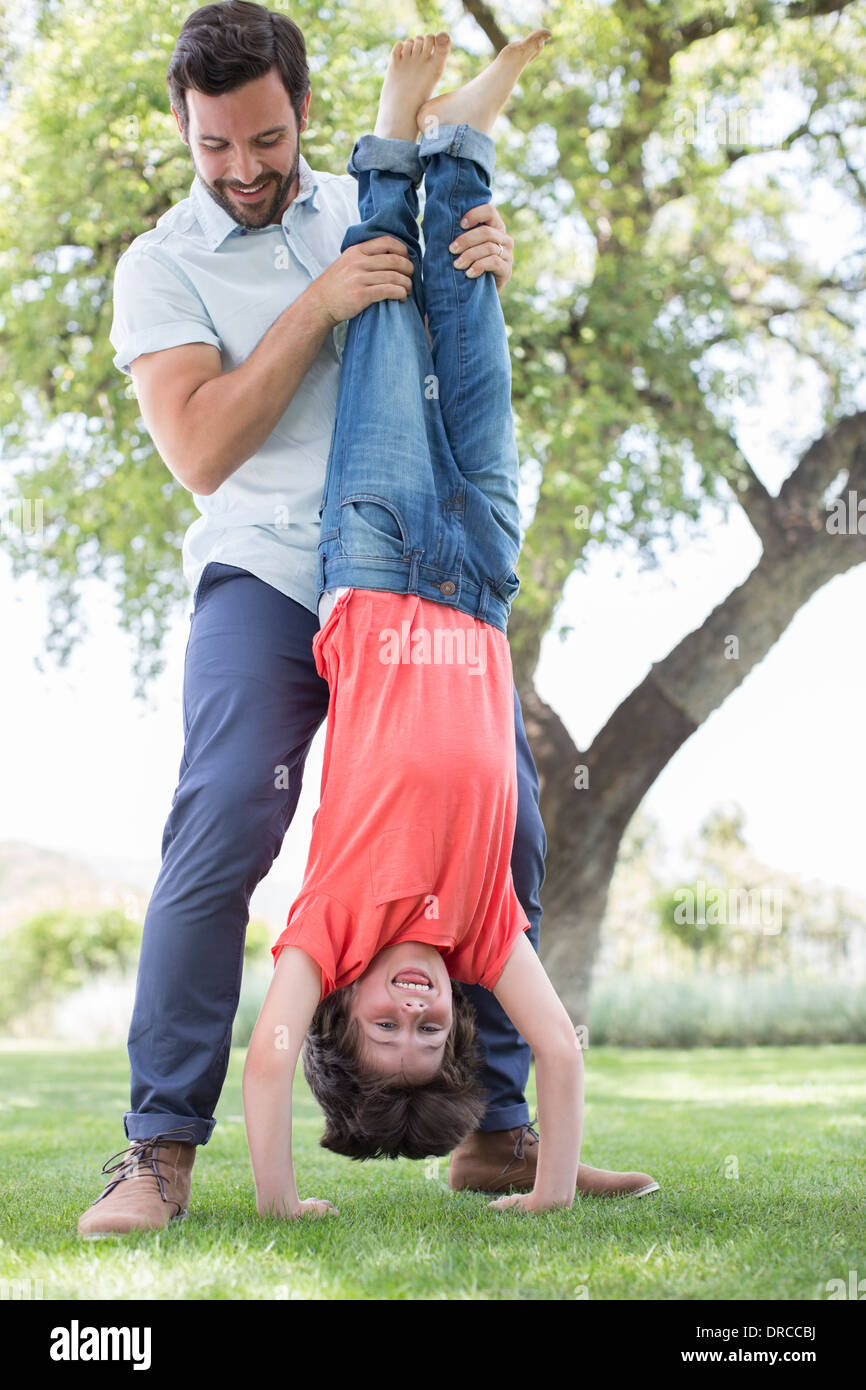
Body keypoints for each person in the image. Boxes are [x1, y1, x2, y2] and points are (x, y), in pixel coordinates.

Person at [78, 5, 657, 1239]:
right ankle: (158, 1146)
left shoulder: (358, 194)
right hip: (273, 578)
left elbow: (445, 337)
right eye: (215, 147)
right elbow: (199, 448)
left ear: (299, 106)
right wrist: (319, 305)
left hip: (416, 587)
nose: (242, 169)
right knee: (228, 810)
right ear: (185, 130)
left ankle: (496, 1134)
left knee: (508, 827)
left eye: (267, 140)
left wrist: (487, 251)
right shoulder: (162, 264)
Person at [240, 30, 646, 1219]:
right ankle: (463, 142)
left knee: (380, 308)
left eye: (386, 1025)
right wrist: (551, 1196)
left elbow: (267, 1064)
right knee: (466, 312)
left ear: (343, 1005)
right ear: (455, 1020)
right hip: (478, 574)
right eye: (430, 1029)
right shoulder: (479, 932)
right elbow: (560, 1055)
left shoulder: (326, 924)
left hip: (372, 555)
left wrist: (279, 1203)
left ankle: (389, 133)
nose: (414, 1006)